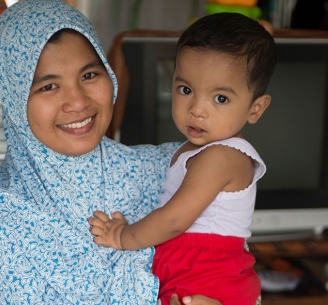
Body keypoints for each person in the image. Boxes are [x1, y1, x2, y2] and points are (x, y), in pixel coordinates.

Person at [0, 0, 222, 304]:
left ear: (109, 75)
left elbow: (236, 271)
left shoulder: (174, 169)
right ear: (15, 99)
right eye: (48, 86)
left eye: (88, 76)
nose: (78, 102)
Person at [89, 12, 278, 305]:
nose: (197, 109)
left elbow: (175, 220)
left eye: (220, 98)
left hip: (208, 283)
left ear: (256, 109)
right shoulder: (195, 149)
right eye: (186, 90)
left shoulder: (222, 156)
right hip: (190, 275)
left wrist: (123, 236)